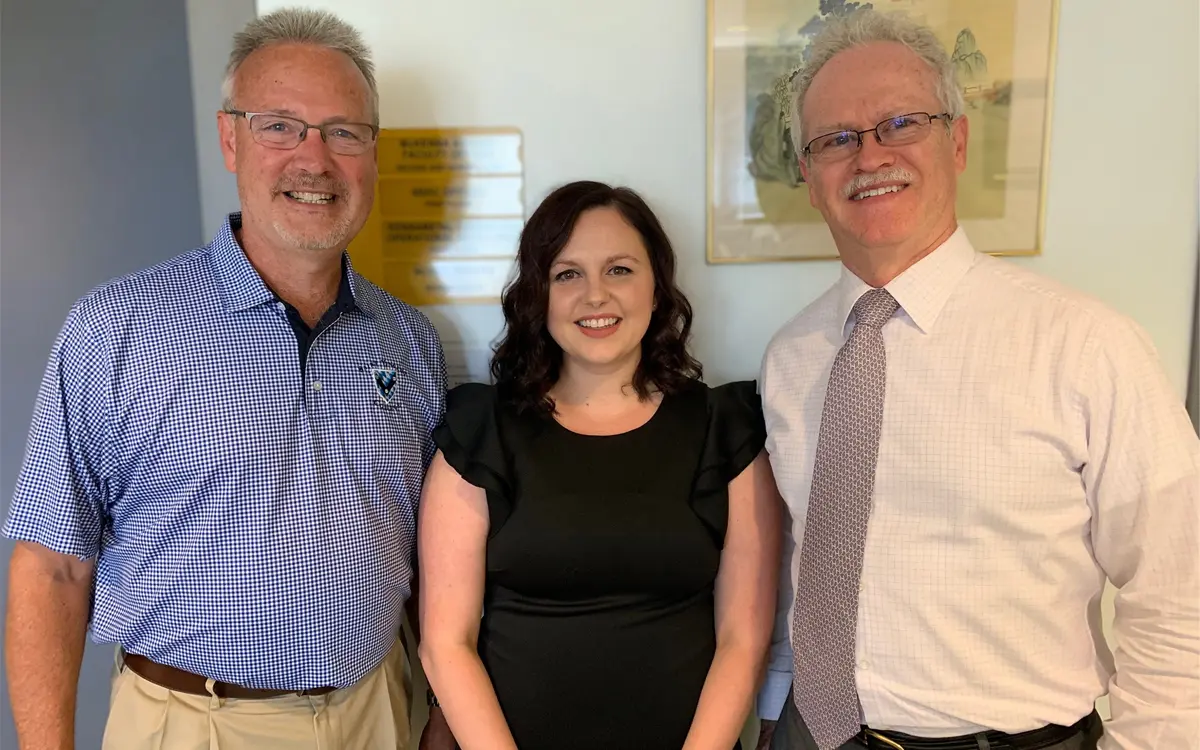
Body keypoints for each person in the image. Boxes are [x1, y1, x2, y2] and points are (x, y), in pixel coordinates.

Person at [3, 8, 456, 750]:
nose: (314, 159)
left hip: (379, 713)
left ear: (372, 155)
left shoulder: (406, 340)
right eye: (280, 125)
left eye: (344, 132)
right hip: (193, 726)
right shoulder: (118, 327)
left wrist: (438, 710)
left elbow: (429, 556)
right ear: (230, 139)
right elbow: (51, 566)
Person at [756, 9, 1200, 750]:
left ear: (956, 141)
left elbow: (1181, 588)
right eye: (836, 139)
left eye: (900, 123)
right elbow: (803, 570)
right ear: (808, 173)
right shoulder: (790, 358)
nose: (868, 157)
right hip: (814, 734)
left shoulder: (1086, 346)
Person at [416, 180, 783, 750]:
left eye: (619, 269)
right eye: (567, 274)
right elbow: (446, 642)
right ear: (539, 295)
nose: (595, 296)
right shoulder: (481, 430)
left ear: (657, 287)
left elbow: (743, 639)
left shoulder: (723, 428)